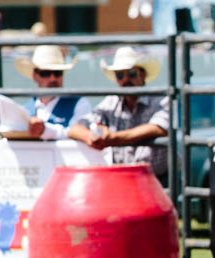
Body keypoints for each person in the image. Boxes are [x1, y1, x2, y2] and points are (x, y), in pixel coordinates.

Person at [67, 47, 170, 185]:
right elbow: (75, 128)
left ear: (143, 75)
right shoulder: (112, 101)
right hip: (123, 180)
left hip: (157, 179)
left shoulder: (160, 100)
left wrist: (113, 138)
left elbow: (159, 128)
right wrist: (90, 137)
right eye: (120, 75)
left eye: (132, 73)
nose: (126, 79)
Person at [6, 45, 92, 140]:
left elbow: (77, 134)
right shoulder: (25, 110)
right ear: (35, 76)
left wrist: (45, 130)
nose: (53, 78)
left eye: (57, 72)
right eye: (46, 73)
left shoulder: (80, 104)